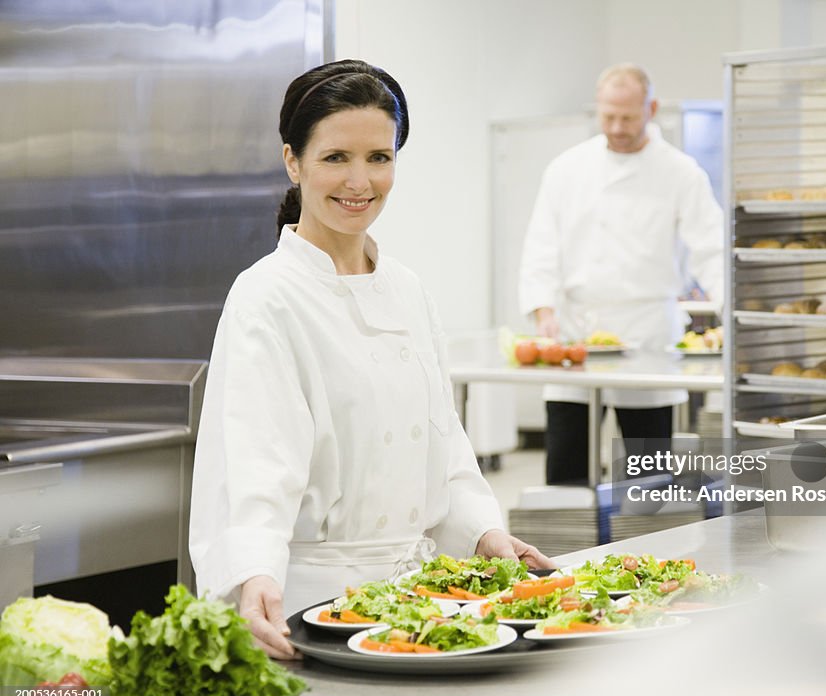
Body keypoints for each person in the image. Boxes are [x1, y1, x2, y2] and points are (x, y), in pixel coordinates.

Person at [189, 59, 554, 660]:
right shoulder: (267, 295)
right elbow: (253, 462)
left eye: (379, 158)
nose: (360, 181)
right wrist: (252, 572)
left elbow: (445, 444)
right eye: (336, 158)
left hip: (421, 606)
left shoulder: (407, 288)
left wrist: (485, 533)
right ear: (293, 162)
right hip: (307, 610)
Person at [518, 62, 724, 486]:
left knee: (647, 473)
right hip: (575, 333)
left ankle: (647, 548)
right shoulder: (566, 168)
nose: (617, 126)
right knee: (566, 470)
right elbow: (541, 246)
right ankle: (565, 548)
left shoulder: (681, 172)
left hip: (648, 334)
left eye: (628, 117)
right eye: (608, 116)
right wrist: (543, 311)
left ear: (651, 108)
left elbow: (711, 250)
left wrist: (734, 317)